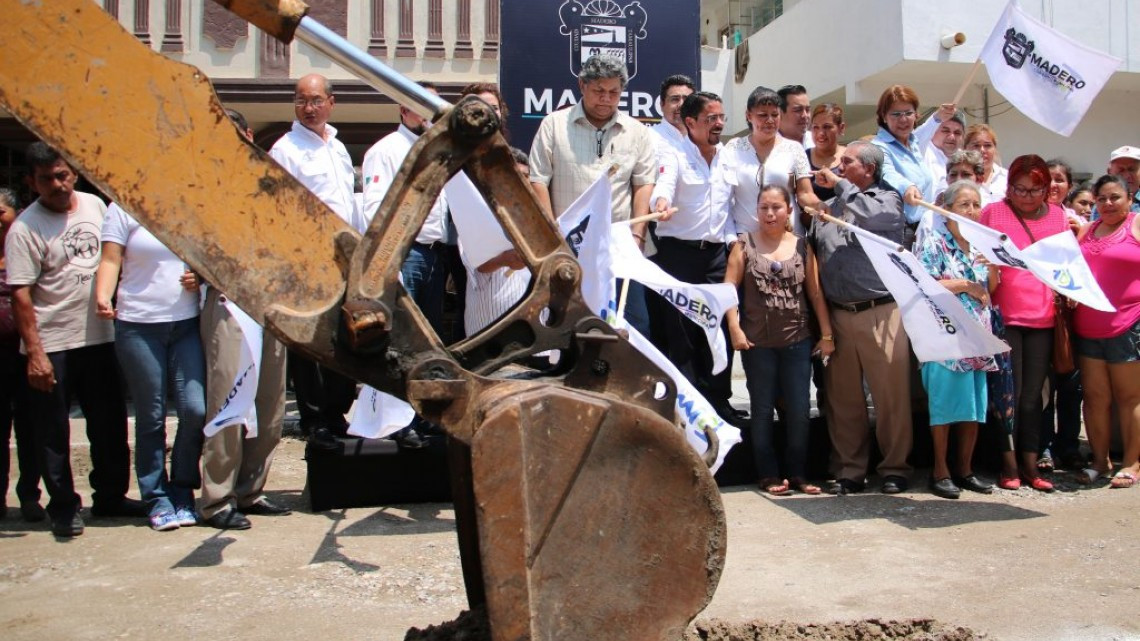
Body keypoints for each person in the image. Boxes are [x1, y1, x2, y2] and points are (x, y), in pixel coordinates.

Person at [4, 142, 144, 538]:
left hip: (100, 338)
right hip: (53, 343)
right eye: (47, 179)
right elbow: (20, 295)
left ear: (75, 173)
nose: (58, 185)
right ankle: (63, 505)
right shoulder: (25, 229)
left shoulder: (96, 207)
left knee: (109, 424)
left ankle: (111, 496)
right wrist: (35, 352)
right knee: (52, 431)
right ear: (32, 182)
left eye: (63, 175)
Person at [197, 109, 291, 531]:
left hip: (273, 305)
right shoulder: (203, 186)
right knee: (230, 402)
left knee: (270, 404)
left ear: (249, 135)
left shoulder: (271, 181)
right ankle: (217, 500)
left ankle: (251, 490)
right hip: (231, 304)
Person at [94, 203, 204, 531]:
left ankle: (183, 489)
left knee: (195, 410)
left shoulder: (190, 203)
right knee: (151, 417)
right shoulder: (122, 206)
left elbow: (208, 259)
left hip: (185, 323)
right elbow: (111, 258)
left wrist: (198, 277)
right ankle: (156, 497)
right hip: (138, 324)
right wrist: (103, 295)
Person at [529, 54, 656, 337]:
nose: (606, 99)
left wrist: (637, 237)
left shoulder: (637, 132)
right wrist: (552, 239)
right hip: (567, 247)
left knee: (631, 324)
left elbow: (644, 185)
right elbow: (538, 181)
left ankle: (630, 381)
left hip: (620, 247)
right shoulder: (553, 125)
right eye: (599, 91)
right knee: (568, 324)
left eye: (614, 92)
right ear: (582, 86)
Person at [811, 141, 912, 495]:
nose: (838, 166)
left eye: (847, 161)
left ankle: (895, 468)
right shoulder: (829, 207)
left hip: (880, 311)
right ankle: (850, 470)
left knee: (890, 398)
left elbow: (872, 217)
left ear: (868, 169)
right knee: (844, 400)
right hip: (839, 314)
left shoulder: (887, 200)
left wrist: (840, 186)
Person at [269, 74, 359, 446]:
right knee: (309, 341)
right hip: (308, 259)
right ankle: (314, 419)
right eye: (302, 100)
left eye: (316, 100)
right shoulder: (285, 149)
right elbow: (278, 208)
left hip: (345, 260)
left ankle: (336, 414)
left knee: (342, 337)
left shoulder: (337, 147)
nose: (309, 108)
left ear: (331, 102)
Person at [725, 185, 833, 495]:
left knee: (799, 409)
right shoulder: (743, 245)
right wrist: (735, 327)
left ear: (789, 211)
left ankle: (798, 473)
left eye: (776, 207)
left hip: (797, 340)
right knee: (761, 409)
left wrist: (826, 334)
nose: (770, 214)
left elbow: (814, 293)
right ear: (755, 211)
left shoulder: (802, 246)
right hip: (757, 344)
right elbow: (728, 290)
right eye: (764, 208)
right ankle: (768, 474)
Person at [649, 91, 739, 424]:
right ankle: (688, 411)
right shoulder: (674, 155)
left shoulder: (727, 156)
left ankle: (720, 403)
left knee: (717, 329)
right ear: (690, 122)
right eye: (711, 118)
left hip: (717, 255)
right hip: (678, 255)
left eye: (721, 118)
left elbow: (729, 207)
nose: (718, 124)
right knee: (682, 332)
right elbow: (663, 186)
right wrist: (659, 204)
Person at [981, 154, 1069, 492]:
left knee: (1034, 395)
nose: (1027, 196)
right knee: (1009, 394)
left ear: (1047, 189)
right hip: (1005, 315)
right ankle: (1008, 462)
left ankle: (1031, 462)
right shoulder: (994, 213)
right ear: (1009, 187)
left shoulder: (1059, 216)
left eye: (1035, 190)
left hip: (1043, 316)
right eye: (1020, 189)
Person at [914, 180, 998, 499]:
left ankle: (965, 469)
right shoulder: (934, 241)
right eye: (964, 204)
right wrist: (964, 284)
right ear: (946, 210)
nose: (971, 211)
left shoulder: (981, 245)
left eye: (976, 204)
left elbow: (990, 290)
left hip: (978, 334)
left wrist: (993, 272)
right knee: (944, 406)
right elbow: (923, 282)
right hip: (945, 335)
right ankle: (940, 470)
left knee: (973, 407)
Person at [1073, 174, 1140, 488]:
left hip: (1129, 325)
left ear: (1129, 198)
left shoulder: (1137, 225)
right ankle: (1100, 461)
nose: (1108, 204)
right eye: (1102, 199)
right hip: (1088, 326)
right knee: (1095, 397)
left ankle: (1132, 463)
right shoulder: (1087, 230)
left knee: (1130, 398)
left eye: (1115, 197)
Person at [723, 86, 820, 237]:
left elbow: (805, 193)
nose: (770, 121)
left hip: (788, 238)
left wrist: (819, 206)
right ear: (749, 115)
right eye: (762, 115)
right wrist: (730, 238)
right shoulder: (733, 148)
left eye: (775, 115)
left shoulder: (794, 149)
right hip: (746, 238)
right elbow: (725, 197)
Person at [0, 187, 43, 522]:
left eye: (1, 212)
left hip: (26, 351)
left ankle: (30, 495)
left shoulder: (24, 245)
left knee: (31, 427)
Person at [1039, 159, 1085, 472]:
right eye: (1048, 179)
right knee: (1042, 385)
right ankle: (1042, 446)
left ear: (1069, 186)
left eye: (1060, 180)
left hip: (1071, 312)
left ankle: (1068, 446)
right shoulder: (1032, 217)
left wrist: (1080, 233)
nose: (1054, 185)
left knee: (1071, 383)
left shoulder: (1077, 221)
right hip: (1039, 310)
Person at [870, 85, 935, 238]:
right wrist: (907, 187)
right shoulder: (878, 146)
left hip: (924, 229)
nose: (903, 119)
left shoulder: (914, 143)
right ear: (884, 117)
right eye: (896, 114)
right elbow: (887, 171)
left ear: (916, 115)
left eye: (908, 113)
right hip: (901, 232)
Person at [914, 103, 965, 196]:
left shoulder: (965, 160)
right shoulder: (923, 152)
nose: (952, 136)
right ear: (933, 131)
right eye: (946, 131)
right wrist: (936, 119)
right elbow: (913, 141)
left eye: (957, 133)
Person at [650, 74, 696, 165]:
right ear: (662, 104)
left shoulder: (702, 141)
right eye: (675, 99)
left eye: (687, 100)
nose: (681, 105)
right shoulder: (649, 138)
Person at [807, 103, 846, 202]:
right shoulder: (803, 158)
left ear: (841, 128)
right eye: (815, 127)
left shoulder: (852, 157)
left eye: (827, 127)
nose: (821, 133)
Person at [965, 124, 1007, 204]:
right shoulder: (958, 178)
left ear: (995, 148)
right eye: (976, 145)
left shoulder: (1008, 178)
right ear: (965, 148)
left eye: (987, 145)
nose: (982, 150)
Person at [1105, 146, 1140, 214]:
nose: (1127, 176)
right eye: (1121, 170)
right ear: (1110, 173)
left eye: (1131, 169)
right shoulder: (1103, 204)